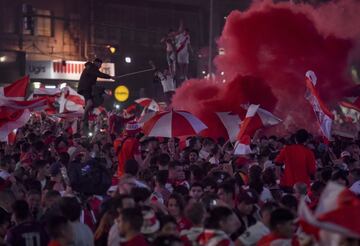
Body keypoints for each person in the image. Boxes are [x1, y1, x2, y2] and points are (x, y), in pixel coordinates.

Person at [77, 58, 115, 131]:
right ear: (96, 63)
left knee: (91, 103)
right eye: (100, 64)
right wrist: (110, 77)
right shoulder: (91, 68)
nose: (100, 66)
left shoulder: (92, 68)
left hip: (89, 89)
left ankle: (86, 115)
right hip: (85, 88)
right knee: (90, 102)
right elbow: (99, 74)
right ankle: (84, 117)